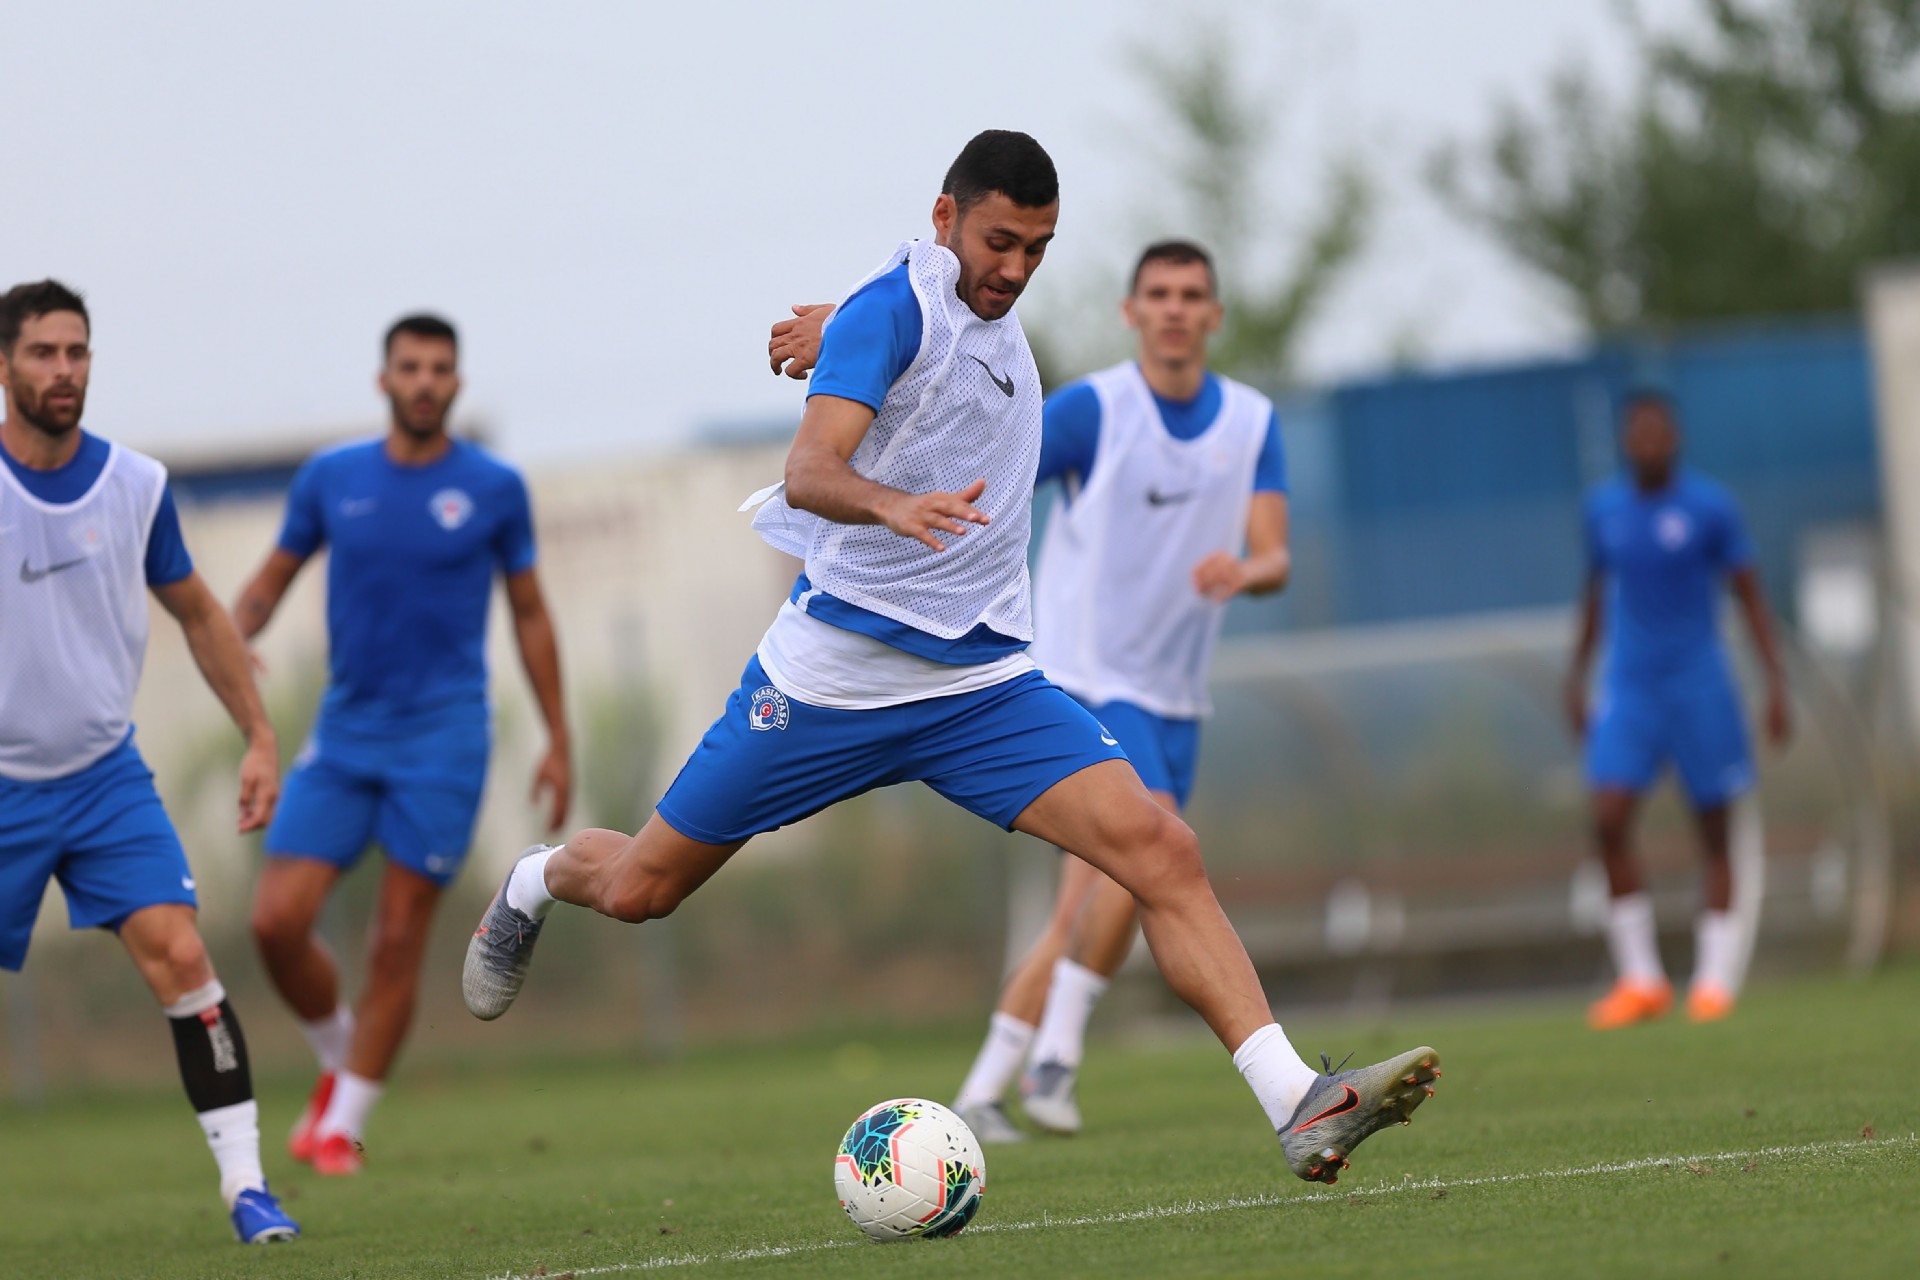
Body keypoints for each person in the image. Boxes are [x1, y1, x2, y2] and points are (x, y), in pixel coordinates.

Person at [464, 130, 1438, 1185]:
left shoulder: (953, 312)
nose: (1014, 269)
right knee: (640, 890)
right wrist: (892, 497)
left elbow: (928, 341)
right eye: (997, 241)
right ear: (945, 218)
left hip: (980, 687)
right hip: (832, 680)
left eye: (1037, 249)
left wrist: (843, 327)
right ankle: (536, 878)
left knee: (1162, 848)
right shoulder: (893, 306)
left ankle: (1298, 1101)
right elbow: (810, 469)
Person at [770, 239, 1290, 1141]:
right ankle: (1058, 1058)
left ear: (1213, 314)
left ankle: (993, 1082)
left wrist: (1245, 572)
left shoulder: (1251, 421)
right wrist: (856, 339)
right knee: (1152, 853)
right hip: (1090, 675)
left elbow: (1275, 555)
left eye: (1191, 295)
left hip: (1176, 692)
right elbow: (981, 455)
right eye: (1158, 293)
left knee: (1101, 897)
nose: (1174, 309)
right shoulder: (1096, 410)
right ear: (1132, 312)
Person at [232, 314, 571, 1175]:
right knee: (275, 921)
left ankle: (340, 1127)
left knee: (394, 940)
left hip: (444, 741)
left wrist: (558, 737)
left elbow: (530, 612)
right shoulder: (332, 478)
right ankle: (336, 1051)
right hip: (345, 734)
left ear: (456, 383)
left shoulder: (493, 488)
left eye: (439, 368)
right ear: (384, 379)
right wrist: (229, 642)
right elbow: (267, 584)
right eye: (410, 367)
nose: (425, 381)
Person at [0, 280, 299, 1243]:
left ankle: (248, 1188)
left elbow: (201, 614)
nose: (63, 370)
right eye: (43, 352)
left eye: (76, 351)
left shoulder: (135, 485)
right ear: (5, 365)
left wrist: (259, 736)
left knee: (183, 956)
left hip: (102, 779)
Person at [1565, 389, 1790, 1028]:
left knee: (1714, 831)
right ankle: (1641, 979)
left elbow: (1750, 594)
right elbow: (1594, 596)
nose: (1649, 442)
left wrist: (1776, 683)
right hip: (1630, 687)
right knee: (1608, 819)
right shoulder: (1603, 510)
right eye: (1638, 432)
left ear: (1676, 437)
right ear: (1625, 441)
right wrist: (1575, 676)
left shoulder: (1710, 507)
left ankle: (1713, 982)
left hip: (1700, 685)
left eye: (1658, 431)